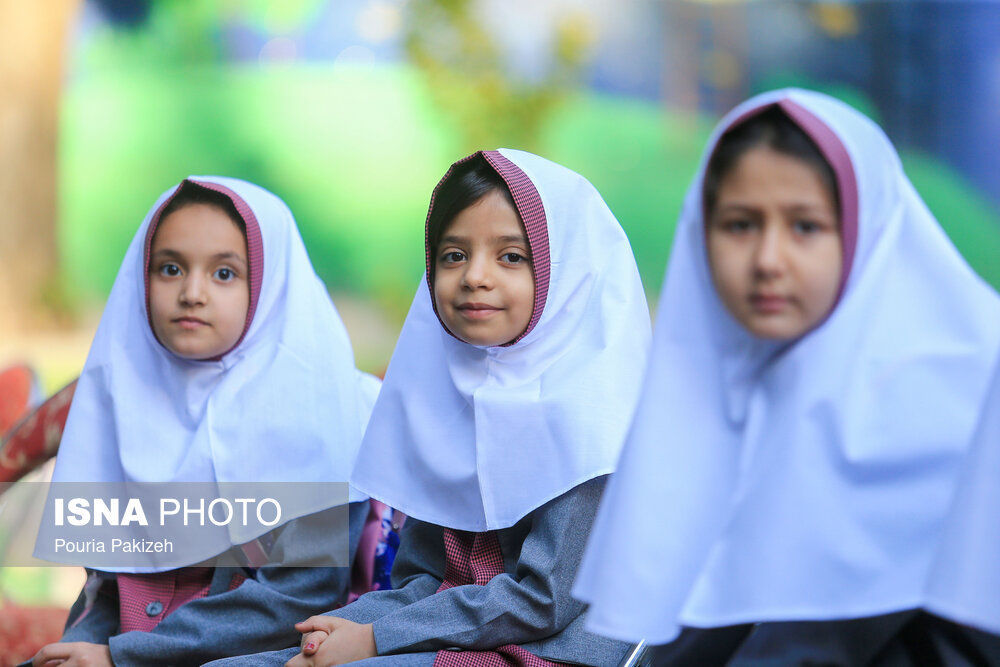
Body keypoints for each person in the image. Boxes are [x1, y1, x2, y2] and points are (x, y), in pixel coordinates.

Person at [573, 89, 1000, 665]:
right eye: (740, 224)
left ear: (866, 229)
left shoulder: (958, 406)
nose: (768, 259)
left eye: (805, 226)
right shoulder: (726, 401)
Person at [207, 149, 652, 667]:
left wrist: (374, 639)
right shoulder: (442, 400)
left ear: (569, 271)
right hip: (445, 634)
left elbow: (543, 602)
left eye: (511, 256)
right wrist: (348, 630)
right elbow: (424, 579)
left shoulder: (592, 415)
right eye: (453, 255)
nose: (474, 277)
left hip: (546, 653)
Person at [29, 177, 378, 667]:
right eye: (170, 268)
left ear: (270, 285)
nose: (192, 292)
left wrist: (122, 656)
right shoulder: (123, 398)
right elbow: (106, 588)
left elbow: (296, 601)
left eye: (224, 273)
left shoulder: (318, 414)